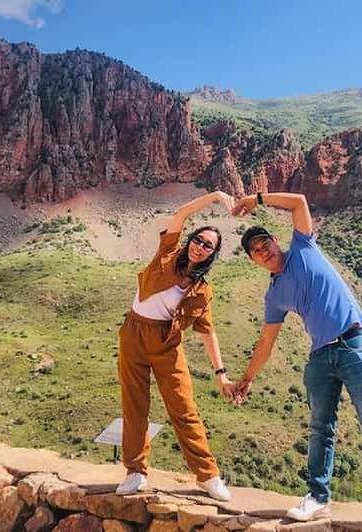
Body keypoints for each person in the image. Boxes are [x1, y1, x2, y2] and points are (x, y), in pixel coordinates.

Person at [232, 192, 362, 531]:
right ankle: (317, 497)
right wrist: (248, 377)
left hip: (353, 341)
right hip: (320, 355)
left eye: (264, 243)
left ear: (274, 241)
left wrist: (258, 199)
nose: (263, 251)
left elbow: (298, 201)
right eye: (255, 251)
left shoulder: (302, 247)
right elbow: (267, 340)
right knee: (319, 429)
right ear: (253, 261)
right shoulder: (274, 295)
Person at [116, 191, 236, 501]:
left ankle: (207, 475)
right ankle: (135, 471)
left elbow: (207, 333)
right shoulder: (167, 252)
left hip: (165, 344)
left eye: (208, 245)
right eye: (198, 240)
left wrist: (221, 373)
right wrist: (214, 196)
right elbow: (181, 213)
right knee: (134, 405)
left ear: (213, 254)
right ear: (190, 241)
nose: (200, 246)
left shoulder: (202, 291)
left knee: (183, 408)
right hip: (133, 333)